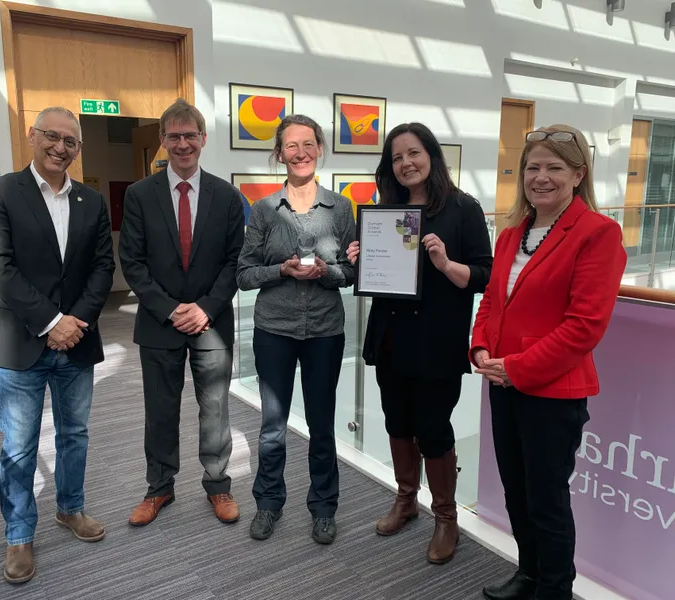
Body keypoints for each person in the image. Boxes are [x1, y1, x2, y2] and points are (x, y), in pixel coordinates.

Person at [472, 125, 626, 600]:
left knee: (547, 500)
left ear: (578, 175)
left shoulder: (598, 234)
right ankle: (530, 574)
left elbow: (584, 326)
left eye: (554, 167)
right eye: (533, 167)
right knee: (516, 493)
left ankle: (554, 589)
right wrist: (479, 347)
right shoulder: (511, 233)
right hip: (503, 386)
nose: (541, 177)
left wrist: (516, 367)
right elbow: (492, 303)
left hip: (551, 393)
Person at [0, 106, 115, 584]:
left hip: (77, 341)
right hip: (20, 343)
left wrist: (76, 322)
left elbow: (102, 267)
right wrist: (51, 321)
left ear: (78, 148)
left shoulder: (91, 202)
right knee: (19, 445)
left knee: (75, 434)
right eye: (51, 137)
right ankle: (18, 534)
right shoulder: (0, 193)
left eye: (70, 141)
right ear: (32, 136)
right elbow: (0, 267)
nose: (60, 147)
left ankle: (70, 508)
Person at [347, 123, 492, 564]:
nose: (406, 163)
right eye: (397, 158)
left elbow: (484, 276)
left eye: (414, 153)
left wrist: (446, 263)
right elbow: (378, 281)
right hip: (391, 338)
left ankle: (445, 518)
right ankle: (406, 500)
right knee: (397, 423)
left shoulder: (463, 208)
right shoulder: (384, 211)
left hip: (436, 342)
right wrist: (359, 263)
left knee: (433, 429)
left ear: (431, 155)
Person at [120, 99, 245, 527]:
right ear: (162, 141)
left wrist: (205, 308)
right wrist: (173, 309)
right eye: (173, 136)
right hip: (159, 323)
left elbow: (235, 261)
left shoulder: (228, 197)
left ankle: (218, 484)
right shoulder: (139, 195)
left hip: (211, 323)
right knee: (160, 411)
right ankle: (159, 488)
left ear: (203, 139)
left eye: (190, 135)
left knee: (215, 409)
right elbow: (132, 262)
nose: (182, 143)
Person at [237, 114, 355, 545]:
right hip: (275, 330)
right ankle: (268, 502)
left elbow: (354, 271)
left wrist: (328, 271)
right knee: (272, 424)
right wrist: (280, 270)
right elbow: (244, 273)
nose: (300, 153)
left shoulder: (341, 208)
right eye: (291, 146)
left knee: (322, 424)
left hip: (325, 331)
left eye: (308, 144)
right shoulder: (264, 209)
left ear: (320, 149)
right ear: (280, 153)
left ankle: (324, 507)